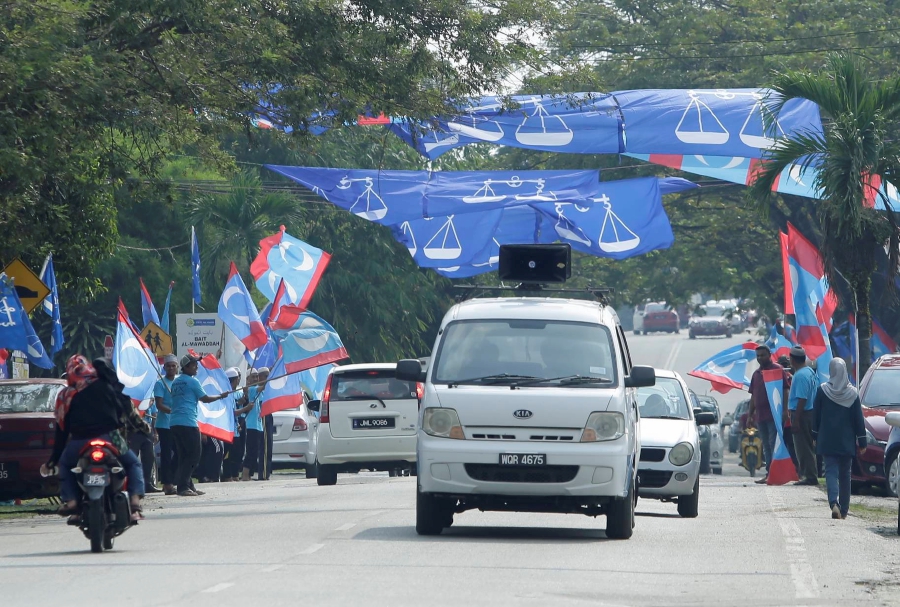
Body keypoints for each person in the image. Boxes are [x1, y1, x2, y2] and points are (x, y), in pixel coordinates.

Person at [42, 355, 147, 519]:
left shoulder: (66, 395)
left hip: (79, 440)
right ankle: (134, 500)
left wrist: (54, 459)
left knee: (65, 463)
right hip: (111, 436)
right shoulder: (106, 385)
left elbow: (62, 429)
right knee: (133, 463)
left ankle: (71, 501)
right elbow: (122, 410)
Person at [813, 358, 867, 519]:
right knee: (845, 474)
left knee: (830, 471)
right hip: (846, 441)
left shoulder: (823, 390)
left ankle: (833, 503)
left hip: (827, 439)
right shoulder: (853, 393)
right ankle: (843, 509)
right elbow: (858, 419)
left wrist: (814, 435)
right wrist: (862, 441)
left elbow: (816, 417)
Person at [170, 353, 229, 496]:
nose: (197, 367)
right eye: (194, 364)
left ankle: (189, 485)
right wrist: (221, 396)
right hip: (188, 422)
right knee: (194, 455)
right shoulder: (192, 381)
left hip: (174, 422)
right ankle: (183, 487)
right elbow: (205, 398)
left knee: (184, 455)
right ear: (186, 367)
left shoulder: (176, 382)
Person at [747, 344, 789, 485]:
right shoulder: (756, 374)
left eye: (762, 355)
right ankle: (769, 473)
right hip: (760, 416)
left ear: (769, 355)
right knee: (765, 445)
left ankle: (774, 474)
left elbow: (785, 390)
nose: (760, 358)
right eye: (758, 356)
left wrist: (785, 411)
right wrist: (749, 415)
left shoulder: (778, 370)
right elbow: (753, 396)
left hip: (774, 415)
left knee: (773, 443)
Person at [788, 346, 819, 485]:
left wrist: (796, 420)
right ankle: (809, 474)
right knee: (807, 445)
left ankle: (810, 476)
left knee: (803, 447)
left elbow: (802, 398)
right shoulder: (809, 372)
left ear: (793, 359)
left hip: (802, 414)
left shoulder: (800, 375)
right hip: (809, 413)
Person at [154, 354, 178, 495]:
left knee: (181, 452)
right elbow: (159, 405)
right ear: (165, 367)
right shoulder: (160, 383)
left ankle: (172, 478)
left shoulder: (180, 381)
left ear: (177, 367)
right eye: (168, 366)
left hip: (178, 423)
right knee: (166, 455)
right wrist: (172, 411)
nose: (171, 368)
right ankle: (167, 483)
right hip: (164, 424)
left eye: (173, 365)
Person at [222, 368, 250, 481]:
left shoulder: (233, 393)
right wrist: (246, 408)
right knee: (228, 454)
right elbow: (231, 412)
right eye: (237, 379)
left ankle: (234, 474)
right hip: (228, 430)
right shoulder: (227, 394)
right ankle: (227, 475)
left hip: (235, 429)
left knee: (237, 453)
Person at [776, 354, 800, 474]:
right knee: (789, 445)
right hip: (784, 418)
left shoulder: (789, 379)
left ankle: (794, 469)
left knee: (789, 445)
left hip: (788, 418)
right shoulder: (792, 378)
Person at [241, 370, 264, 481]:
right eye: (253, 377)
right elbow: (263, 387)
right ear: (248, 379)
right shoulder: (251, 390)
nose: (255, 379)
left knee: (256, 453)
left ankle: (249, 474)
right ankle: (245, 474)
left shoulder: (258, 392)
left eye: (257, 377)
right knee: (250, 451)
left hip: (258, 425)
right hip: (251, 426)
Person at [257, 367, 274, 481]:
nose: (268, 378)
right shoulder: (257, 388)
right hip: (263, 416)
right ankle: (263, 473)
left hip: (269, 414)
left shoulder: (266, 389)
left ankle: (267, 472)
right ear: (261, 377)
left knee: (269, 445)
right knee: (265, 446)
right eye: (266, 376)